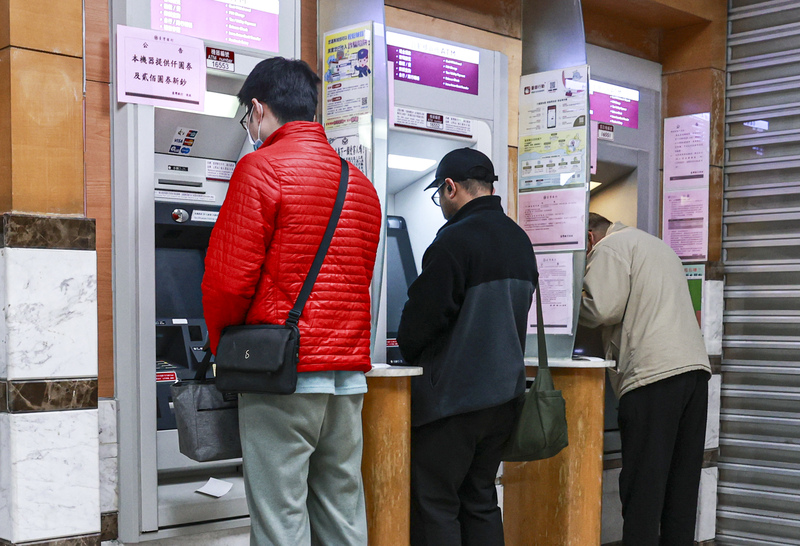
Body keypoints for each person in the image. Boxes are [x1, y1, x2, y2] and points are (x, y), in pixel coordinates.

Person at [201, 57, 382, 546]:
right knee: (342, 513)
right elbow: (356, 281)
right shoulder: (360, 186)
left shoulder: (259, 169)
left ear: (258, 109)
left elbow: (227, 283)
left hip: (282, 377)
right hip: (346, 382)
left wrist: (223, 351)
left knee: (282, 519)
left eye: (247, 118)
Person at [397, 148, 538, 546]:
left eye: (439, 195)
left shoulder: (453, 242)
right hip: (503, 401)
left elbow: (418, 326)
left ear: (451, 187)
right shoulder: (519, 240)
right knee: (479, 500)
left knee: (435, 505)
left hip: (452, 404)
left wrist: (406, 351)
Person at [579, 212, 711, 546]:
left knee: (644, 490)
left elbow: (599, 308)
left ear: (590, 238)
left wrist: (557, 302)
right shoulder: (655, 245)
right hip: (694, 373)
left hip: (653, 378)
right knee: (680, 488)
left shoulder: (609, 248)